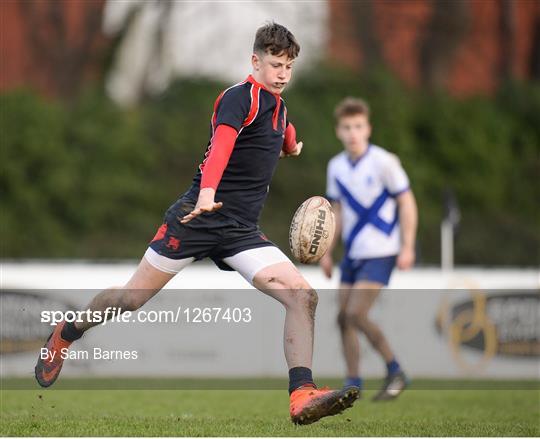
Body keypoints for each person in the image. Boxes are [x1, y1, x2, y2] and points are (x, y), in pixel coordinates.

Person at [34, 22, 358, 425]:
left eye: (288, 67)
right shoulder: (241, 99)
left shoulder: (279, 107)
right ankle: (67, 332)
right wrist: (207, 194)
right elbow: (222, 145)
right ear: (254, 61)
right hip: (196, 218)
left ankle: (302, 394)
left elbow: (281, 134)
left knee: (302, 296)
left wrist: (291, 145)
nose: (282, 74)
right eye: (275, 65)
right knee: (130, 300)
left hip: (239, 230)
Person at [319, 97, 418, 401]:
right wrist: (325, 251)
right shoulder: (335, 166)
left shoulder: (384, 162)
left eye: (358, 126)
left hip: (382, 251)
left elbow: (406, 201)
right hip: (353, 253)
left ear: (368, 128)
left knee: (356, 313)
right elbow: (335, 211)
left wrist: (407, 246)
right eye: (347, 127)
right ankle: (353, 383)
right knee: (343, 318)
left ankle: (395, 369)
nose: (353, 133)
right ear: (338, 131)